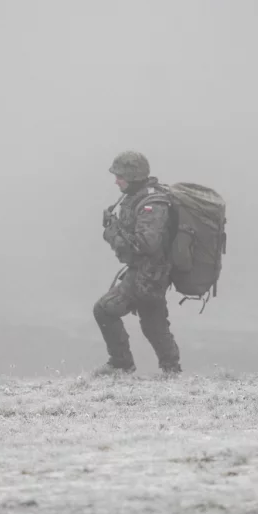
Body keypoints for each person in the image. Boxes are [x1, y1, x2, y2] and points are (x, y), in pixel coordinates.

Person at [93, 151, 182, 376]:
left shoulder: (152, 203)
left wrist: (112, 233)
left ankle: (121, 364)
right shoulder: (138, 198)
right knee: (154, 324)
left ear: (133, 176)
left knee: (104, 310)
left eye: (120, 176)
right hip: (150, 273)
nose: (116, 180)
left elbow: (146, 245)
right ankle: (171, 369)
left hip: (148, 274)